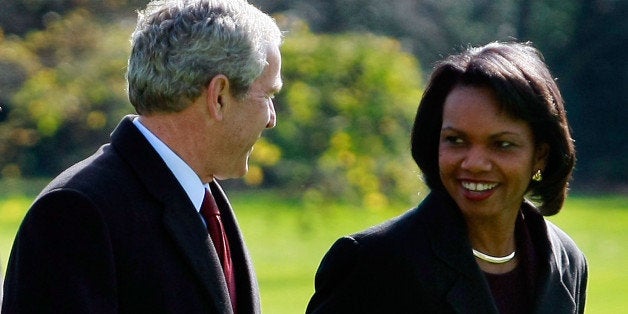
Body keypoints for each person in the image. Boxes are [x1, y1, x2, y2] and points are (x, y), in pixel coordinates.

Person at [3, 0, 282, 312]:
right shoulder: (74, 212)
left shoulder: (204, 197)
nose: (272, 118)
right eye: (268, 95)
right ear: (218, 96)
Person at [306, 42, 587, 314]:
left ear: (540, 155)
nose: (474, 164)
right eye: (456, 140)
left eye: (502, 144)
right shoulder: (373, 261)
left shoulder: (565, 263)